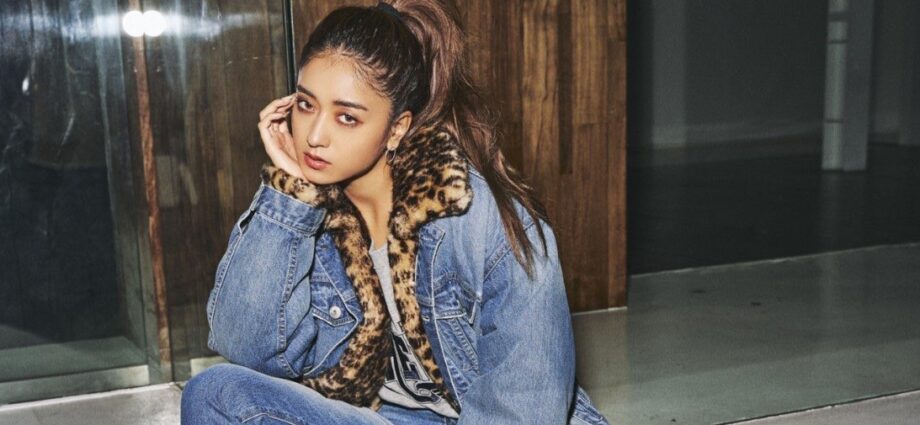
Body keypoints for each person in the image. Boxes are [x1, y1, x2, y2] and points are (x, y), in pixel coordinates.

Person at [180, 1, 609, 424]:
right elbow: (246, 344)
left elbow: (524, 404)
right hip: (396, 418)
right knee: (215, 394)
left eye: (347, 117)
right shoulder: (314, 213)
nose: (314, 136)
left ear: (396, 128)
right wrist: (289, 196)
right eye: (306, 105)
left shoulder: (478, 219)